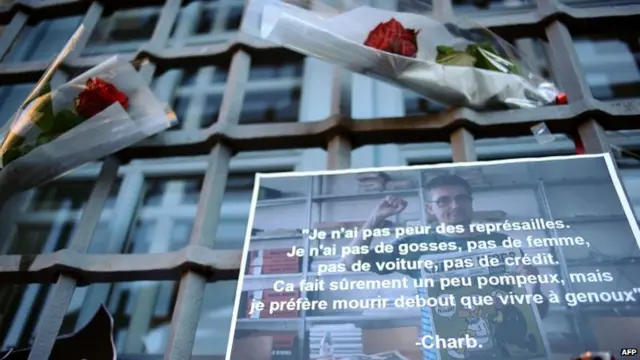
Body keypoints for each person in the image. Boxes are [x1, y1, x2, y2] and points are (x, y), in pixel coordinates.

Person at [341, 174, 549, 360]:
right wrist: (375, 218)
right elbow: (350, 262)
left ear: (471, 202)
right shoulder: (415, 244)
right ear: (430, 209)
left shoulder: (501, 242)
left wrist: (535, 290)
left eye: (461, 198)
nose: (455, 205)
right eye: (443, 201)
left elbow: (539, 312)